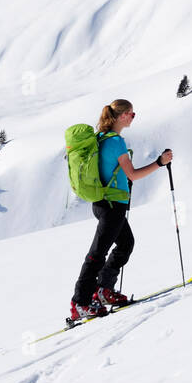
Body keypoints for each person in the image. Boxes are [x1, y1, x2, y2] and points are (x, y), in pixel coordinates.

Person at [69, 99, 172, 321]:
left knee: (125, 244)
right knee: (97, 254)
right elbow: (133, 174)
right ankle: (80, 303)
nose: (133, 117)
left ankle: (103, 291)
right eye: (131, 114)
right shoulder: (116, 141)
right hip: (112, 205)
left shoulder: (101, 138)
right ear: (122, 116)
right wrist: (160, 163)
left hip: (103, 203)